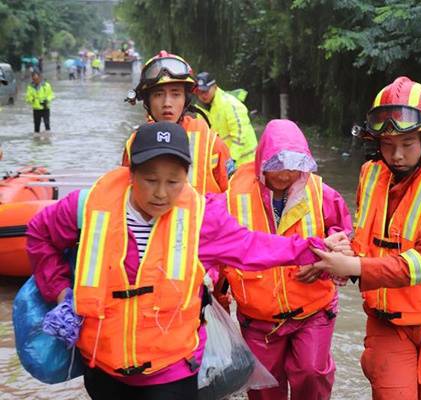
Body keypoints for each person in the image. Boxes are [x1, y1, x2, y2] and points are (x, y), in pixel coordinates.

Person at [26, 121, 350, 400]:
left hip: (172, 371)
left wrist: (314, 248)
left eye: (173, 181)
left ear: (186, 176)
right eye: (150, 179)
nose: (161, 193)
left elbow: (254, 247)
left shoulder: (202, 218)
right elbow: (39, 234)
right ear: (130, 172)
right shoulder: (86, 206)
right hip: (103, 367)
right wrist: (59, 293)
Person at [299, 76, 421, 400]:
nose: (396, 155)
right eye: (387, 144)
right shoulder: (371, 175)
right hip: (388, 321)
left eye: (406, 144)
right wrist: (345, 245)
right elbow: (373, 236)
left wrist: (354, 266)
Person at [218, 119, 352, 400]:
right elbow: (219, 247)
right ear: (261, 161)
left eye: (293, 164)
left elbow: (344, 236)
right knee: (264, 388)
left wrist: (325, 262)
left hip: (312, 309)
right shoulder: (233, 196)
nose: (285, 173)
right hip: (258, 317)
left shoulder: (322, 194)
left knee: (312, 373)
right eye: (276, 164)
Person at [123, 51, 233, 194]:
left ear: (186, 100)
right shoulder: (134, 144)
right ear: (147, 101)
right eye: (158, 94)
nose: (167, 103)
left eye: (176, 94)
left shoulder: (212, 144)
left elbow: (231, 199)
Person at [194, 72, 258, 165]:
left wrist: (232, 159)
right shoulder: (200, 110)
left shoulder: (230, 104)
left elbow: (239, 134)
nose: (202, 95)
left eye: (205, 91)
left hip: (245, 161)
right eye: (199, 92)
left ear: (215, 87)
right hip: (224, 162)